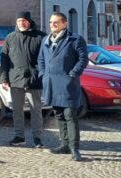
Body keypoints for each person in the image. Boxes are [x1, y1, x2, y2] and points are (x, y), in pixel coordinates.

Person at [38, 12, 89, 162]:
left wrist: (73, 74)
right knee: (59, 115)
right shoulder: (45, 40)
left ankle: (74, 148)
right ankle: (64, 144)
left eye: (56, 22)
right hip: (52, 84)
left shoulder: (75, 39)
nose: (52, 25)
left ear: (64, 24)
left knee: (70, 116)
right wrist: (43, 74)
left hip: (68, 84)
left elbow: (83, 59)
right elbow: (41, 58)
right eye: (51, 22)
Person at [0, 11, 46, 148]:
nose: (22, 23)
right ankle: (19, 136)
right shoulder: (10, 38)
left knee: (36, 110)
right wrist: (4, 79)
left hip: (34, 80)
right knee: (17, 110)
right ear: (16, 22)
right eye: (19, 20)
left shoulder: (41, 37)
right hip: (16, 80)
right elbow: (4, 60)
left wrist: (42, 74)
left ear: (29, 21)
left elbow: (46, 59)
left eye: (24, 20)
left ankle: (37, 138)